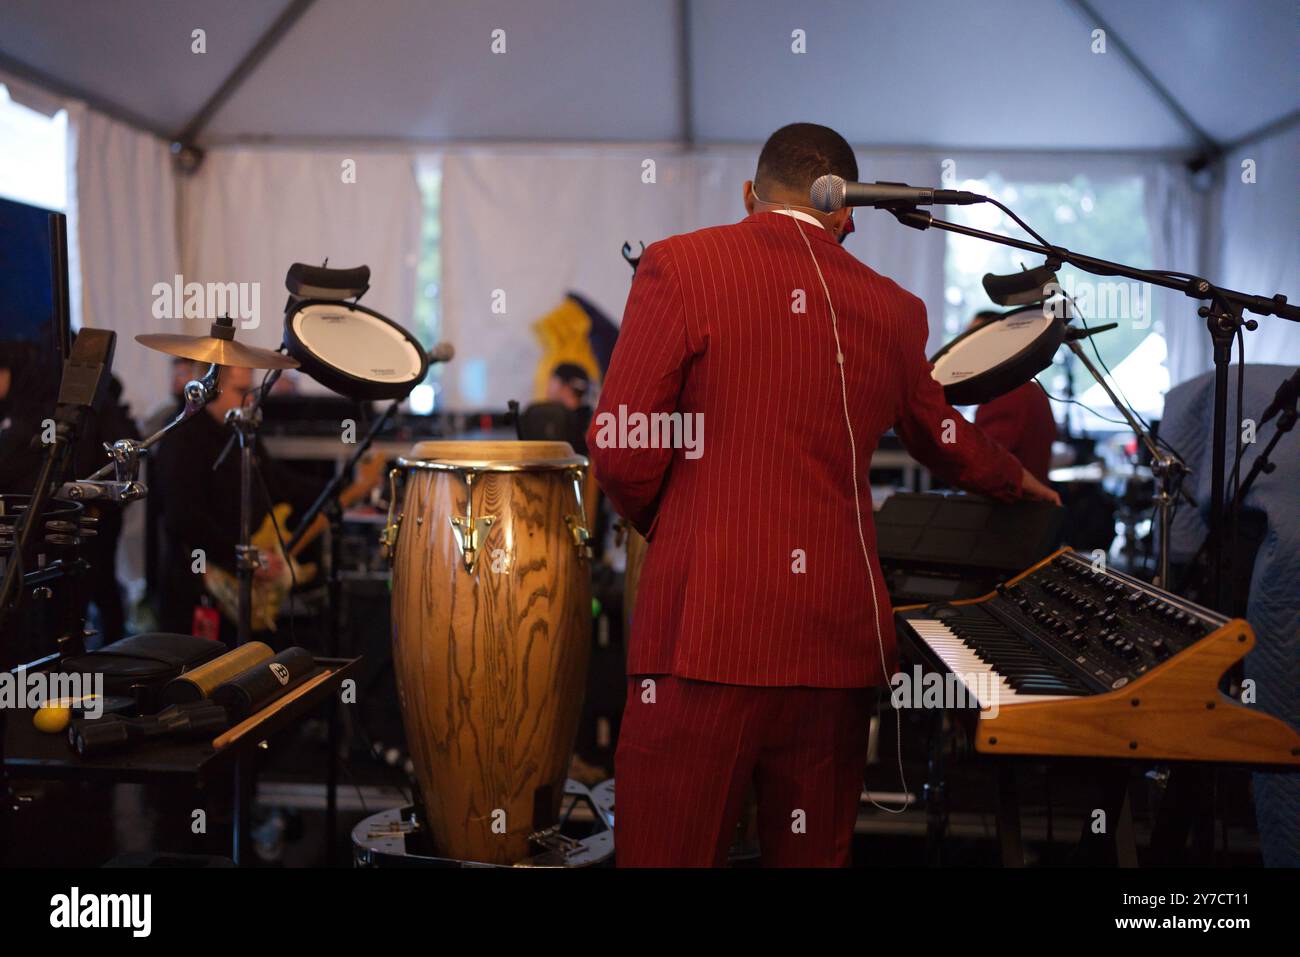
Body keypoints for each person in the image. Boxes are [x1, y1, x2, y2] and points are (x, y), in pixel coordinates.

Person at [588, 122, 1058, 867]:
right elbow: (941, 437)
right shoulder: (898, 310)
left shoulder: (679, 266)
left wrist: (675, 526)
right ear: (848, 215)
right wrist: (1015, 478)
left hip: (704, 632)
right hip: (837, 643)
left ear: (750, 196)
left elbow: (620, 446)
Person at [150, 365, 332, 641]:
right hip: (196, 588)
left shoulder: (241, 433)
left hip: (239, 585)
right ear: (211, 390)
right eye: (240, 392)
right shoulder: (182, 439)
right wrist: (243, 558)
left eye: (251, 391)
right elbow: (182, 519)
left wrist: (335, 487)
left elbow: (277, 482)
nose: (250, 400)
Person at [967, 309, 1058, 485]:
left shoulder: (1006, 394)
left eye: (973, 339)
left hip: (1010, 508)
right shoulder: (1025, 389)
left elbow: (984, 462)